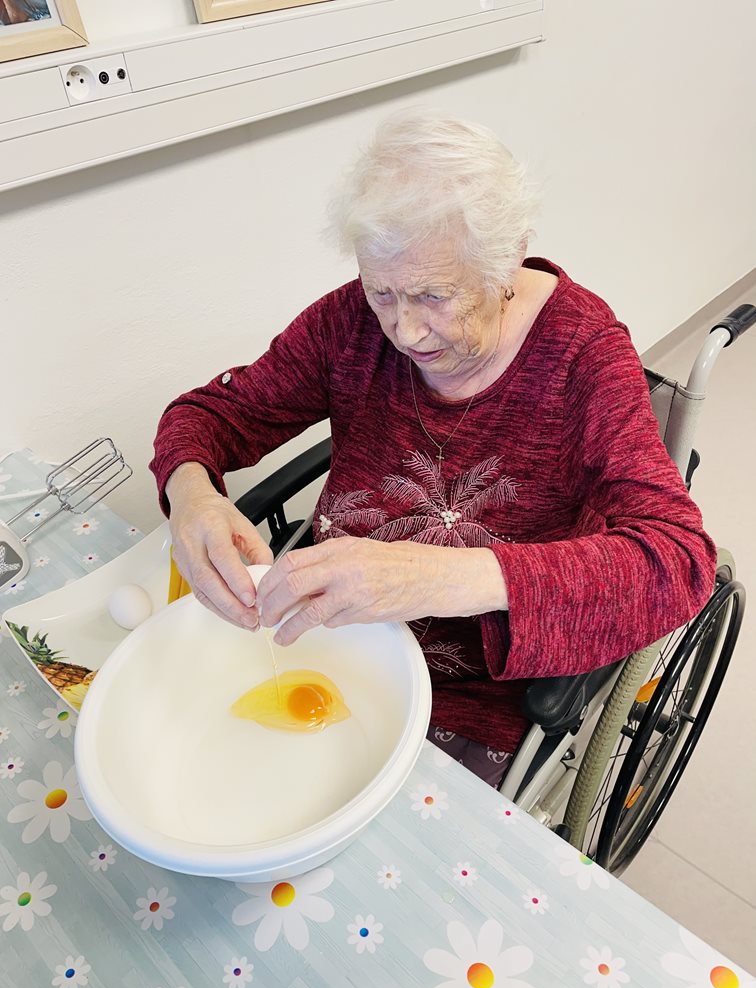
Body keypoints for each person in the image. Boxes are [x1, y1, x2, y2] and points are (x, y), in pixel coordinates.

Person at [150, 109, 716, 789]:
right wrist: (193, 497)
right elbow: (210, 414)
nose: (403, 329)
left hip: (469, 695)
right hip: (326, 639)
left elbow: (678, 563)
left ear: (506, 262)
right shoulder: (349, 323)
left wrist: (431, 576)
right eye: (382, 292)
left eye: (434, 296)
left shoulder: (583, 356)